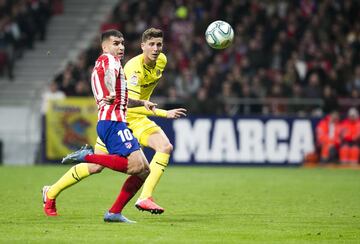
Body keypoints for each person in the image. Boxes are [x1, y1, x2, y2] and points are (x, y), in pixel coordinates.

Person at [42, 29, 157, 223]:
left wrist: (142, 103)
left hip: (113, 122)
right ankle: (85, 155)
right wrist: (110, 90)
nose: (120, 47)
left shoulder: (112, 63)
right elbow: (107, 77)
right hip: (113, 123)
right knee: (136, 166)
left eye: (122, 43)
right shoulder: (108, 61)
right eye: (115, 43)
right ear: (105, 46)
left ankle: (113, 212)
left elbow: (122, 98)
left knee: (144, 170)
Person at [94, 28, 186, 214]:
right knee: (95, 166)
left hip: (139, 118)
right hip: (123, 118)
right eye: (151, 44)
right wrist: (163, 113)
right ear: (142, 46)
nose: (156, 48)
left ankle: (144, 197)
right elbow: (130, 104)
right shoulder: (132, 68)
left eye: (159, 44)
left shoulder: (162, 60)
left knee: (164, 147)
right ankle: (52, 191)